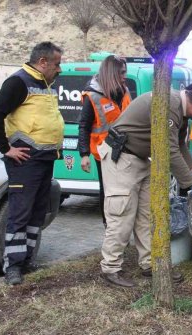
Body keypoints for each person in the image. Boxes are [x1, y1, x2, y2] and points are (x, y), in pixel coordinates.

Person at [98, 85, 192, 288]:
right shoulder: (170, 105)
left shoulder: (180, 111)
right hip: (121, 157)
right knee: (122, 214)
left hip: (140, 159)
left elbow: (180, 145)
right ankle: (111, 268)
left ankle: (149, 264)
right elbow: (170, 150)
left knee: (147, 214)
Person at [0, 41, 64, 285]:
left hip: (45, 159)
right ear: (42, 62)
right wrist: (6, 148)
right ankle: (13, 266)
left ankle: (28, 260)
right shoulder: (18, 82)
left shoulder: (46, 84)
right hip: (26, 160)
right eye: (56, 64)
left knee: (36, 213)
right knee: (19, 213)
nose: (59, 69)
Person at [77, 55, 131, 227]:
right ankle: (109, 227)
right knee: (108, 192)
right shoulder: (92, 96)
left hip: (126, 149)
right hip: (104, 152)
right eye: (121, 73)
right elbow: (84, 126)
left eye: (125, 72)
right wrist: (84, 154)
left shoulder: (124, 91)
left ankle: (122, 225)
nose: (124, 76)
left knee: (126, 191)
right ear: (111, 73)